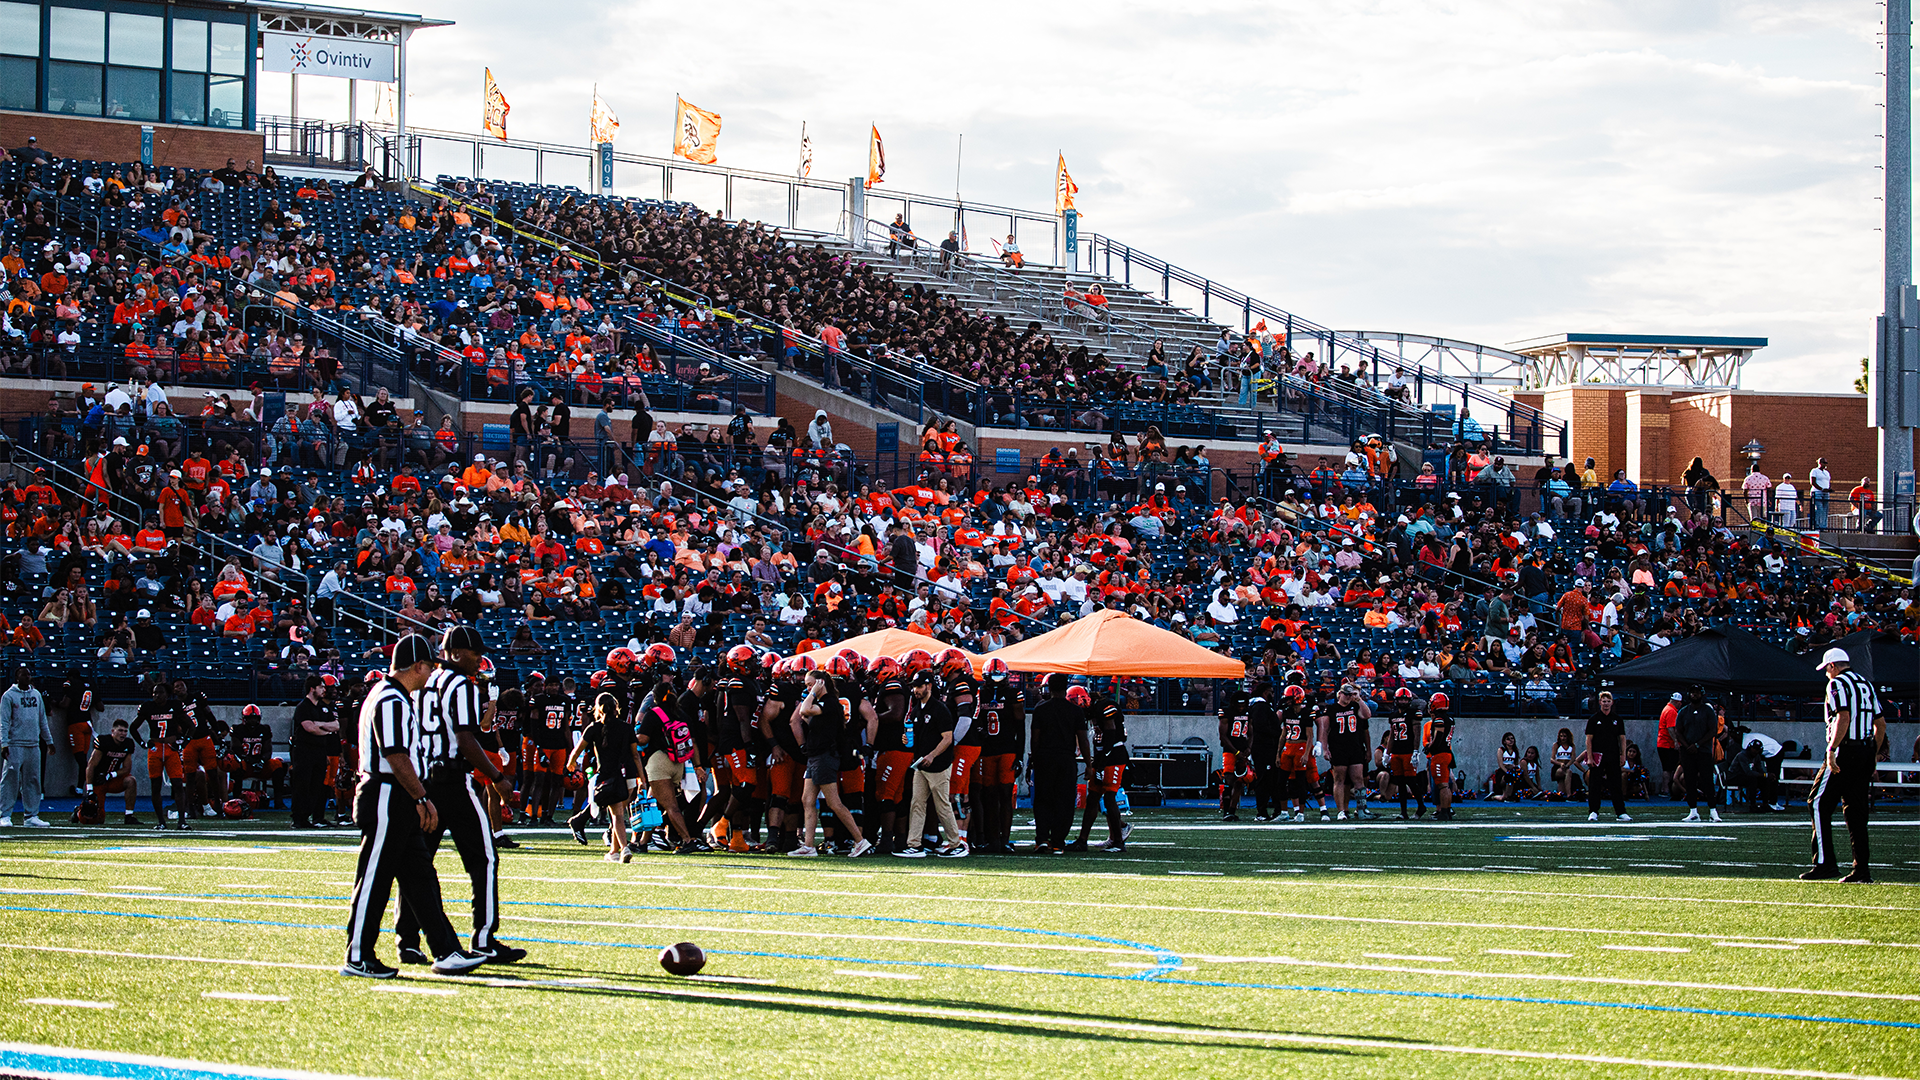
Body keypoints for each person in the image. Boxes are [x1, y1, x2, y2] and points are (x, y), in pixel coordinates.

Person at [341, 634, 488, 978]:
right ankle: (357, 955)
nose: (431, 674)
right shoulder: (390, 697)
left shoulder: (396, 695)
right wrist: (421, 796)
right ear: (418, 666)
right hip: (387, 793)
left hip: (398, 794)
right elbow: (395, 755)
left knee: (421, 876)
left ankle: (446, 950)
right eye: (430, 667)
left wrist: (417, 796)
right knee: (374, 877)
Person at [394, 627, 525, 965]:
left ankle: (407, 941)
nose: (479, 658)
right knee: (484, 859)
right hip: (451, 781)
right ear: (454, 652)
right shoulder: (460, 685)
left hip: (424, 781)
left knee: (419, 865)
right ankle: (484, 939)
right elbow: (466, 739)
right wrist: (497, 777)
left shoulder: (423, 684)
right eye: (473, 651)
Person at [1802, 648, 1884, 883]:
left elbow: (1843, 716)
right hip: (1865, 750)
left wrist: (1832, 750)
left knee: (1817, 802)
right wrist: (1873, 754)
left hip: (1845, 750)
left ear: (1832, 666)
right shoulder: (1866, 684)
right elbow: (1881, 724)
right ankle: (1861, 870)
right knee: (1856, 811)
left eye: (1826, 670)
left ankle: (1824, 864)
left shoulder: (1837, 684)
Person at [788, 666, 872, 857]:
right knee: (807, 799)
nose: (808, 688)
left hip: (825, 756)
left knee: (834, 802)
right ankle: (809, 846)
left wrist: (813, 693)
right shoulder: (823, 703)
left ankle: (860, 841)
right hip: (815, 756)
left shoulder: (830, 702)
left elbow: (805, 709)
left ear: (820, 684)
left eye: (811, 684)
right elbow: (806, 717)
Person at [893, 669, 965, 857]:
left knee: (942, 805)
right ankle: (914, 845)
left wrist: (932, 755)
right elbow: (919, 737)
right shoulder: (917, 710)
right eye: (914, 686)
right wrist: (906, 739)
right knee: (917, 803)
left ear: (929, 686)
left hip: (938, 764)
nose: (915, 690)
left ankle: (956, 844)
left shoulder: (940, 709)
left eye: (919, 686)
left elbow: (947, 738)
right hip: (921, 764)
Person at [1026, 673, 1086, 853]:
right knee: (1065, 801)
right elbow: (1082, 739)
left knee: (1043, 799)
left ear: (1049, 688)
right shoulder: (1075, 710)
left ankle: (1042, 838)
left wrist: (1034, 759)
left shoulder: (1041, 708)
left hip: (1044, 757)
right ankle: (1058, 839)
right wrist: (1089, 764)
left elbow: (1034, 738)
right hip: (1066, 759)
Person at [130, 679, 188, 830]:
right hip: (155, 748)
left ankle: (182, 821)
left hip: (171, 748)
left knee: (177, 784)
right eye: (154, 693)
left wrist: (182, 742)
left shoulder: (174, 706)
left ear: (167, 694)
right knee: (155, 786)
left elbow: (191, 726)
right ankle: (161, 821)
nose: (157, 695)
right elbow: (133, 727)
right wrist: (143, 744)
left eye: (160, 692)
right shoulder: (148, 707)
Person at [0, 667, 54, 827]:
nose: (28, 677)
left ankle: (31, 816)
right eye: (24, 675)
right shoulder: (8, 696)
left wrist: (49, 741)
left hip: (33, 744)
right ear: (17, 677)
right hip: (15, 744)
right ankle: (5, 815)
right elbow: (3, 722)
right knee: (9, 780)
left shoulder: (36, 695)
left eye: (29, 675)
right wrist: (4, 743)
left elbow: (42, 720)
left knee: (33, 780)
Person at [289, 675, 340, 829]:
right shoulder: (303, 707)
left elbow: (336, 725)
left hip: (319, 751)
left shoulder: (322, 708)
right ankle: (298, 818)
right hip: (304, 751)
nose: (324, 690)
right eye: (321, 687)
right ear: (312, 689)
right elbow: (309, 728)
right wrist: (325, 730)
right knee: (302, 784)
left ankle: (309, 816)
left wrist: (320, 725)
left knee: (316, 785)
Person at [1318, 683, 1373, 820]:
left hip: (1354, 747)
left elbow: (1367, 715)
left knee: (1359, 779)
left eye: (1350, 694)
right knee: (1339, 779)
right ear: (1340, 694)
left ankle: (1361, 809)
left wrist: (1358, 698)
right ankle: (1341, 811)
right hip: (1338, 748)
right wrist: (1325, 749)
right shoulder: (1332, 709)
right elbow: (1325, 731)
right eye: (1347, 694)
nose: (1348, 697)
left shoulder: (1355, 706)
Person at [1675, 685, 1722, 823]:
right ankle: (1693, 811)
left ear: (1701, 694)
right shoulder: (1684, 712)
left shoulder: (1707, 711)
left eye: (1696, 693)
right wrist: (1687, 745)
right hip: (1688, 751)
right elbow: (1678, 731)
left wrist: (1698, 744)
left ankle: (1713, 811)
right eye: (1692, 693)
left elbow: (1712, 730)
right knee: (1690, 780)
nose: (1694, 695)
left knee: (1707, 781)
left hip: (1704, 751)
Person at [84, 717, 143, 825]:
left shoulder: (128, 744)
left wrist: (111, 774)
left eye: (125, 731)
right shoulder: (103, 741)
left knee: (131, 780)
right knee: (96, 819)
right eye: (120, 730)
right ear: (113, 731)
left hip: (112, 779)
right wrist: (90, 789)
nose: (123, 734)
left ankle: (129, 815)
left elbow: (127, 768)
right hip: (99, 780)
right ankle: (77, 812)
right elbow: (91, 765)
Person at [1584, 691, 1630, 822]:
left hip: (1613, 755)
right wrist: (1590, 756)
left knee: (1616, 784)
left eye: (1608, 701)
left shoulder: (1617, 719)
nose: (1606, 704)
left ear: (1612, 702)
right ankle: (1593, 811)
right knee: (1595, 784)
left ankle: (1621, 812)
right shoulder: (1593, 719)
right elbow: (1589, 739)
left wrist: (1623, 754)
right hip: (1598, 756)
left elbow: (1622, 738)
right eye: (1603, 701)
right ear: (1600, 702)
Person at [1423, 692, 1455, 821]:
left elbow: (1439, 736)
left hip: (1440, 754)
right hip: (1447, 753)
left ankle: (1444, 811)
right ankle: (1446, 811)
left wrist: (1430, 747)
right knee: (1445, 785)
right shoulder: (1449, 718)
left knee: (1442, 785)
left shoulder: (1439, 719)